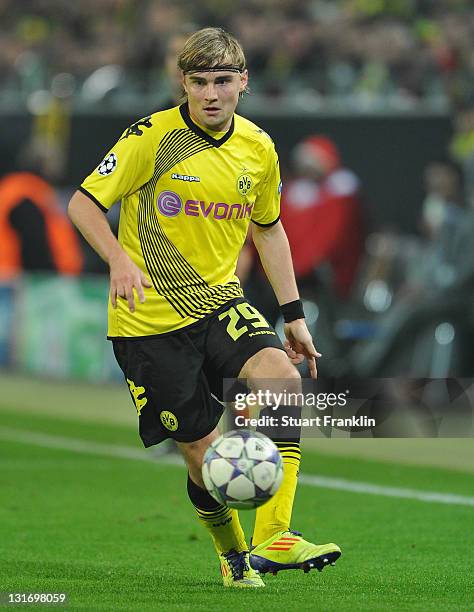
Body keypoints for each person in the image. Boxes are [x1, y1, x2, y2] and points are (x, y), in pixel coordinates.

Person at [68, 27, 341, 588]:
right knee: (203, 455)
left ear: (244, 81)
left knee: (283, 383)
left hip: (218, 301)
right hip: (148, 322)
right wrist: (119, 259)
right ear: (183, 83)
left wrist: (293, 315)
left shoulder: (258, 148)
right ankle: (234, 556)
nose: (211, 93)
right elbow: (82, 204)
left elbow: (269, 230)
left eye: (222, 81)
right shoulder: (152, 138)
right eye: (199, 82)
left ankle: (274, 537)